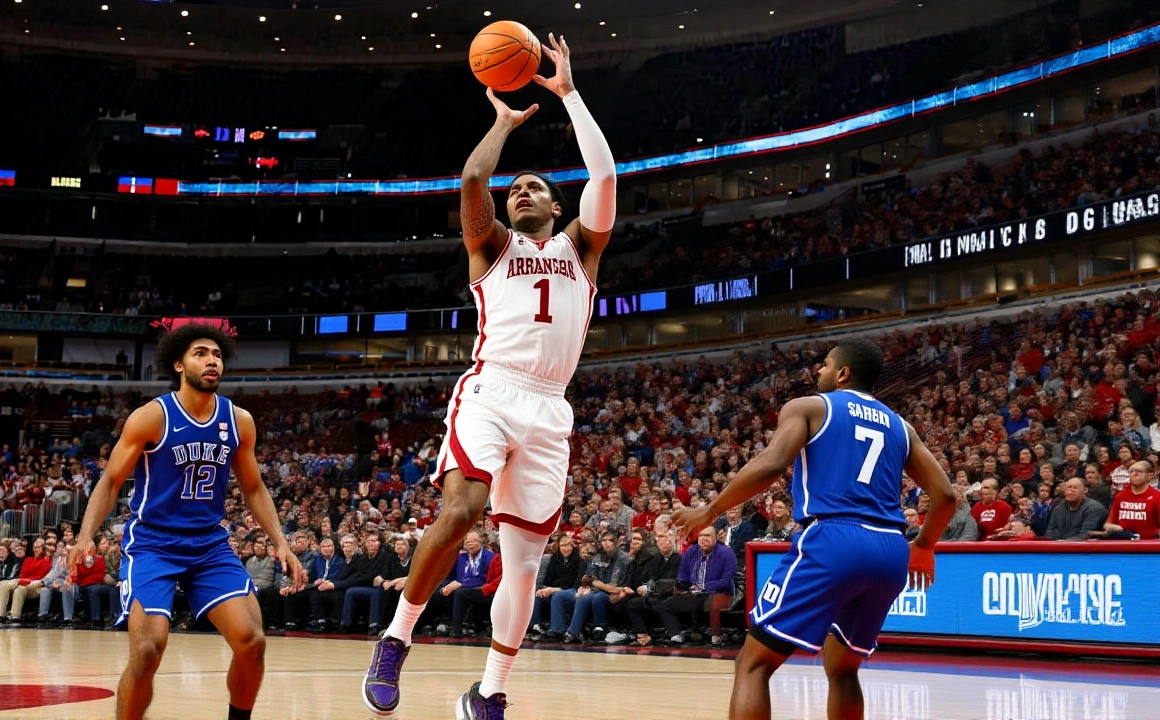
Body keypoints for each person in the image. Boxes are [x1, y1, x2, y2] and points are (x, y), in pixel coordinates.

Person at [363, 32, 617, 720]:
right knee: (462, 510)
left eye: (535, 186)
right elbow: (474, 181)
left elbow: (605, 177)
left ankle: (489, 691)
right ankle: (395, 639)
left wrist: (569, 95)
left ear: (556, 208)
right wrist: (502, 125)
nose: (522, 191)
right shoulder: (492, 245)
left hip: (551, 407)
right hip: (493, 390)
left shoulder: (581, 250)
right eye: (518, 190)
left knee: (526, 564)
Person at [673, 339, 955, 720]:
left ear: (842, 373)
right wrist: (923, 545)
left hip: (834, 538)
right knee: (842, 668)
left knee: (753, 664)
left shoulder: (810, 407)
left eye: (824, 365)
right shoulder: (901, 427)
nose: (817, 372)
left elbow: (773, 464)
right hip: (891, 550)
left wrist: (710, 509)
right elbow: (946, 496)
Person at [68, 323, 306, 720]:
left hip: (209, 545)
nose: (212, 360)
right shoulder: (151, 417)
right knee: (147, 649)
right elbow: (110, 481)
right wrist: (85, 536)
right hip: (153, 544)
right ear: (178, 363)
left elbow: (254, 487)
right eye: (201, 353)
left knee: (252, 641)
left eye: (217, 355)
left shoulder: (239, 420)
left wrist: (280, 540)